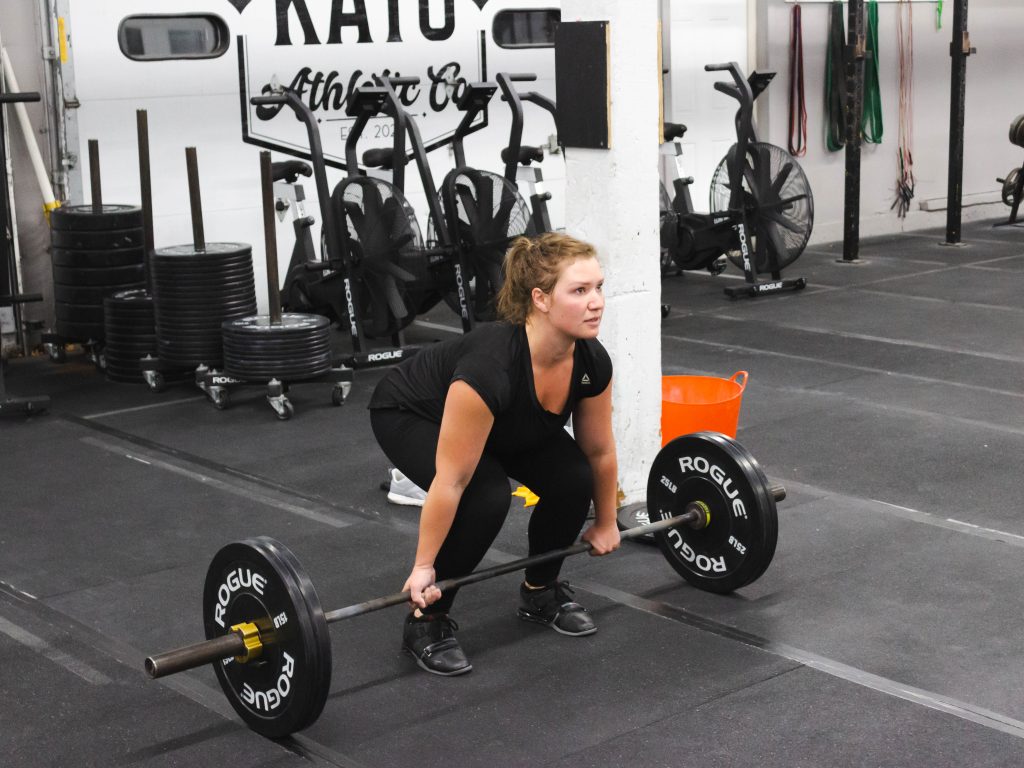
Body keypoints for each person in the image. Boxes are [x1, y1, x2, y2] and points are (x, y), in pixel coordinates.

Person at [368, 232, 620, 676]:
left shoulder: (590, 361)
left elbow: (598, 451)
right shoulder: (491, 368)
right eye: (579, 291)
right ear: (540, 299)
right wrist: (424, 566)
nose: (596, 301)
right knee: (484, 494)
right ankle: (427, 620)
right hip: (412, 412)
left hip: (502, 416)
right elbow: (452, 481)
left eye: (598, 287)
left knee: (572, 476)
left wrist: (604, 522)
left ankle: (541, 590)